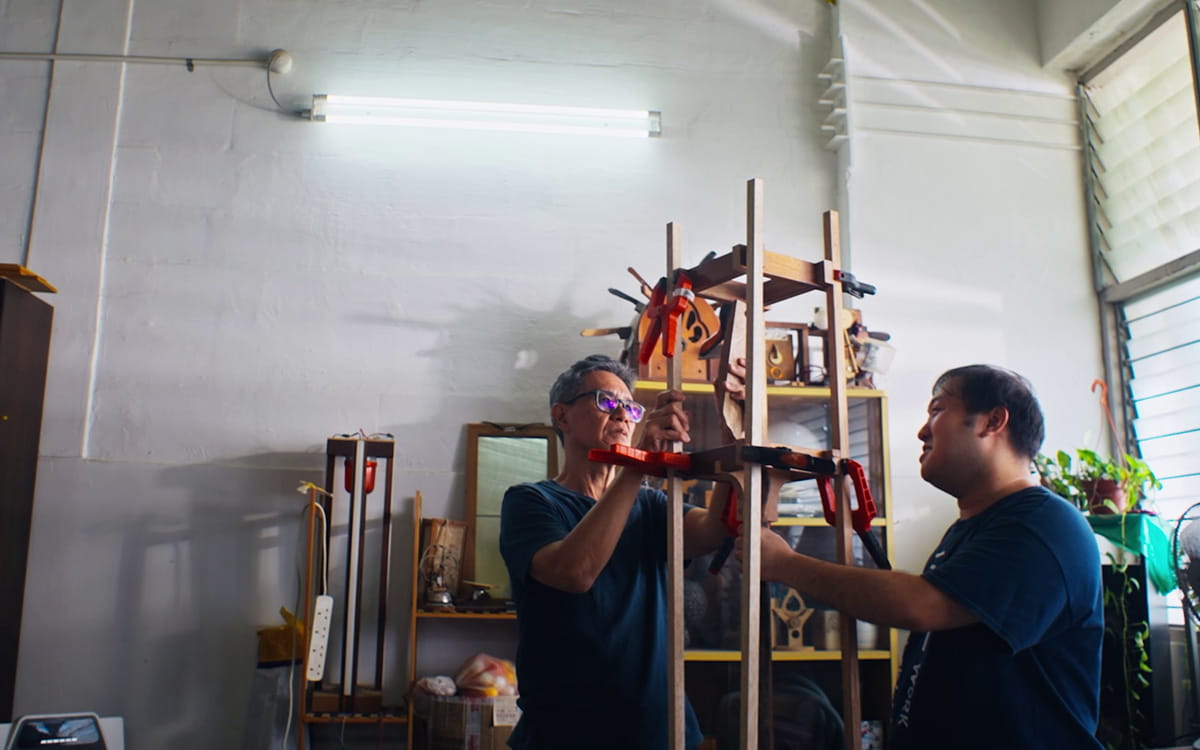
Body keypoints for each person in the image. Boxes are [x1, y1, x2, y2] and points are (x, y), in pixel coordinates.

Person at [739, 364, 1104, 749]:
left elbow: (921, 605)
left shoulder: (1042, 525)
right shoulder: (974, 528)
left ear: (993, 420)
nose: (922, 430)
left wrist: (785, 563)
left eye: (938, 410)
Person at [499, 354, 730, 750]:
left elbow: (715, 530)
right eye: (607, 401)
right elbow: (575, 572)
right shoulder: (531, 501)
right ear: (562, 415)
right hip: (567, 735)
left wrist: (733, 428)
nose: (624, 415)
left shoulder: (653, 506)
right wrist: (637, 465)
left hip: (661, 730)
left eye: (631, 407)